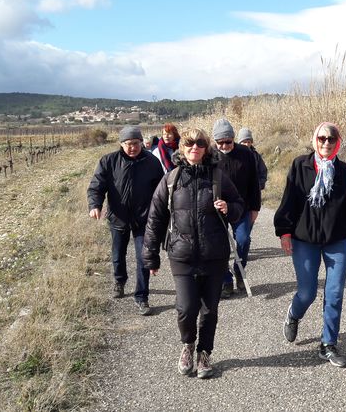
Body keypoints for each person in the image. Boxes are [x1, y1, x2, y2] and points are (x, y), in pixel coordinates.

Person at [142, 128, 245, 379]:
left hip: (214, 254)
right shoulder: (172, 179)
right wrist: (150, 255)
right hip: (182, 254)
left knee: (209, 310)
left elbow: (239, 206)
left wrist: (228, 208)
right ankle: (188, 345)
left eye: (200, 143)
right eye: (189, 143)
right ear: (182, 147)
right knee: (186, 308)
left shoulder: (218, 176)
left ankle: (204, 353)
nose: (194, 148)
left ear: (206, 148)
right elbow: (155, 218)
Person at [274, 122, 346, 368]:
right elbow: (289, 200)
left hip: (337, 241)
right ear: (314, 140)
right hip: (304, 240)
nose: (326, 143)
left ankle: (328, 344)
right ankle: (294, 314)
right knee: (307, 293)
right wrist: (284, 231)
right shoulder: (300, 165)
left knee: (334, 293)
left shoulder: (344, 172)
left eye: (331, 139)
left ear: (338, 142)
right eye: (322, 138)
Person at [87, 126, 164, 316]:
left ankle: (142, 297)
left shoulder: (152, 162)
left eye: (136, 144)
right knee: (118, 254)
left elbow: (161, 190)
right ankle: (119, 280)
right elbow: (96, 186)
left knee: (143, 258)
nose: (132, 148)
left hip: (143, 219)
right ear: (121, 144)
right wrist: (95, 205)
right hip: (118, 217)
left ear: (141, 143)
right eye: (128, 144)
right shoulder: (108, 161)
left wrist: (162, 212)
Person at [211, 118, 261, 298]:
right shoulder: (209, 155)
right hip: (217, 209)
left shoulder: (246, 153)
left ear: (233, 139)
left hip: (242, 207)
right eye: (220, 143)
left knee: (243, 239)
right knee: (220, 246)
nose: (224, 146)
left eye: (228, 142)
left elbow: (254, 182)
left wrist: (255, 208)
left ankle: (239, 271)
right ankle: (226, 280)